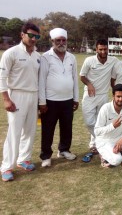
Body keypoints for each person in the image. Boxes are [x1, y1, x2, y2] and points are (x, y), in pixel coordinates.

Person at [0, 22, 41, 182]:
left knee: (30, 130)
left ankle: (23, 159)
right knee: (14, 132)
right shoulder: (11, 53)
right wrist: (6, 99)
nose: (33, 39)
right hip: (16, 95)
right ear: (22, 34)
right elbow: (2, 78)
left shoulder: (38, 56)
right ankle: (6, 167)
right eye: (30, 35)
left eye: (36, 36)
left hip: (33, 95)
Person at [38, 28, 79, 167]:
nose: (61, 43)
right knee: (48, 129)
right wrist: (42, 102)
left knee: (67, 127)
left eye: (63, 40)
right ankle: (46, 155)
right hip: (50, 101)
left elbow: (74, 78)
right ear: (52, 41)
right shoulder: (45, 57)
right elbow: (41, 80)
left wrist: (76, 98)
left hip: (67, 100)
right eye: (58, 40)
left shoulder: (71, 57)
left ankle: (64, 150)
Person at [80, 39, 119, 154]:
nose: (103, 51)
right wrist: (89, 84)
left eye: (105, 49)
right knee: (89, 122)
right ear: (96, 49)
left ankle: (93, 144)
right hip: (90, 95)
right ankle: (101, 141)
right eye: (100, 49)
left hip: (103, 96)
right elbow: (82, 76)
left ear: (108, 49)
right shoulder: (89, 60)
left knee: (100, 121)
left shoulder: (113, 60)